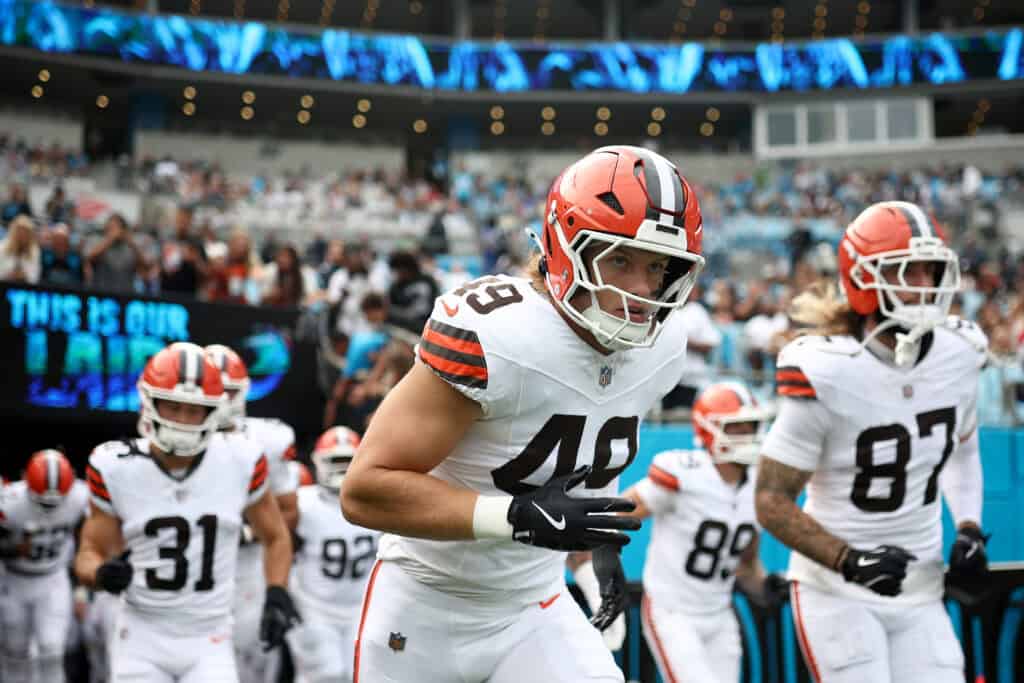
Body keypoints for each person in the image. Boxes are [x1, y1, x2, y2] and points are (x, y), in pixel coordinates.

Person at [341, 145, 706, 682]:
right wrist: (513, 516)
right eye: (620, 259)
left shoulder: (665, 345)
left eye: (657, 266)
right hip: (428, 601)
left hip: (534, 604)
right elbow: (365, 488)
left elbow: (577, 462)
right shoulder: (499, 334)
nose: (641, 289)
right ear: (564, 248)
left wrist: (592, 553)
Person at [755, 201, 989, 683]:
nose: (925, 286)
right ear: (864, 278)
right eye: (908, 271)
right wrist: (848, 558)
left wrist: (967, 525)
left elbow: (962, 448)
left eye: (931, 270)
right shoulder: (828, 369)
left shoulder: (960, 352)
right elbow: (771, 500)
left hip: (922, 590)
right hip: (836, 590)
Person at [74, 342, 300, 682]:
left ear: (213, 411)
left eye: (193, 409)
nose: (182, 420)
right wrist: (101, 574)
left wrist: (277, 592)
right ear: (150, 403)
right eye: (172, 406)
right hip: (141, 632)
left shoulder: (241, 459)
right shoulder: (115, 466)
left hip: (209, 634)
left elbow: (276, 536)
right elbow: (88, 552)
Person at [622, 382, 785, 683]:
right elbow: (618, 513)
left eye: (752, 425)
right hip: (673, 610)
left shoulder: (758, 486)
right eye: (737, 427)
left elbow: (746, 565)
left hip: (719, 613)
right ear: (709, 430)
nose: (748, 434)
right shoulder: (685, 471)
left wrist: (769, 588)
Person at [203, 343, 300, 683]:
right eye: (217, 389)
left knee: (256, 663)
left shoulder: (267, 440)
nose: (224, 399)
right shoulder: (171, 442)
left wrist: (242, 531)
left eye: (231, 391)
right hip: (189, 569)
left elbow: (289, 513)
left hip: (246, 566)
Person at [288, 427, 381, 683]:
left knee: (358, 674)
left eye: (347, 461)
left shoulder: (375, 503)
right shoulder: (304, 503)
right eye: (335, 461)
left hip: (359, 607)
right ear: (319, 463)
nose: (341, 469)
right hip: (314, 606)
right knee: (323, 674)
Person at [0, 449, 89, 683]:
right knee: (14, 650)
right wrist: (12, 548)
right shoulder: (8, 502)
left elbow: (89, 537)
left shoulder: (80, 496)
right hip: (14, 579)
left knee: (51, 649)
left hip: (53, 578)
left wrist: (80, 586)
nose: (49, 509)